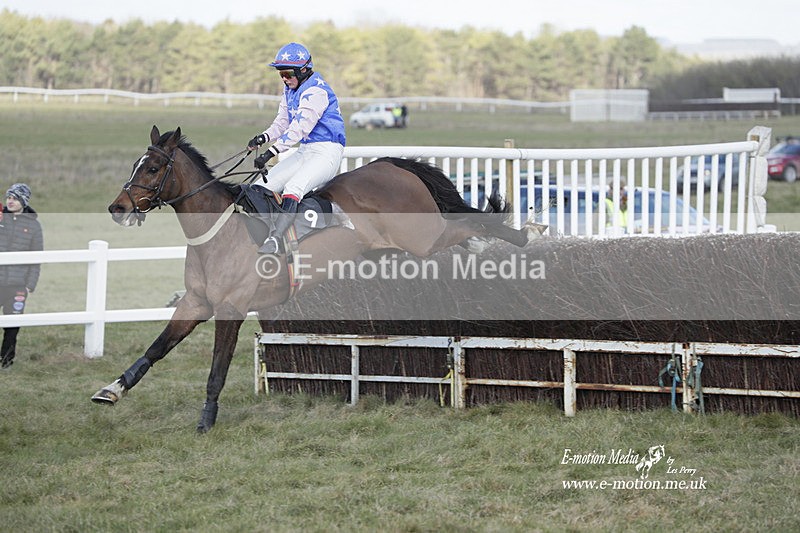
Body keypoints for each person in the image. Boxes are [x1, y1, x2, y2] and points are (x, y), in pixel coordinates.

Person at [246, 42, 346, 254]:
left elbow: (299, 129)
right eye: (280, 74)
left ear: (303, 70)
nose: (284, 78)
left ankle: (276, 239)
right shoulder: (290, 89)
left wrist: (270, 153)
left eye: (288, 73)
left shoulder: (316, 91)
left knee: (293, 188)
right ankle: (266, 232)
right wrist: (263, 137)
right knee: (261, 187)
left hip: (327, 152)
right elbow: (282, 122)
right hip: (306, 150)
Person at [0, 183, 43, 369]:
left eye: (15, 198)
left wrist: (29, 285)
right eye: (9, 197)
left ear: (23, 202)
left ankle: (6, 361)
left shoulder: (34, 226)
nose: (10, 201)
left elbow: (36, 258)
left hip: (17, 284)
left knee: (12, 325)